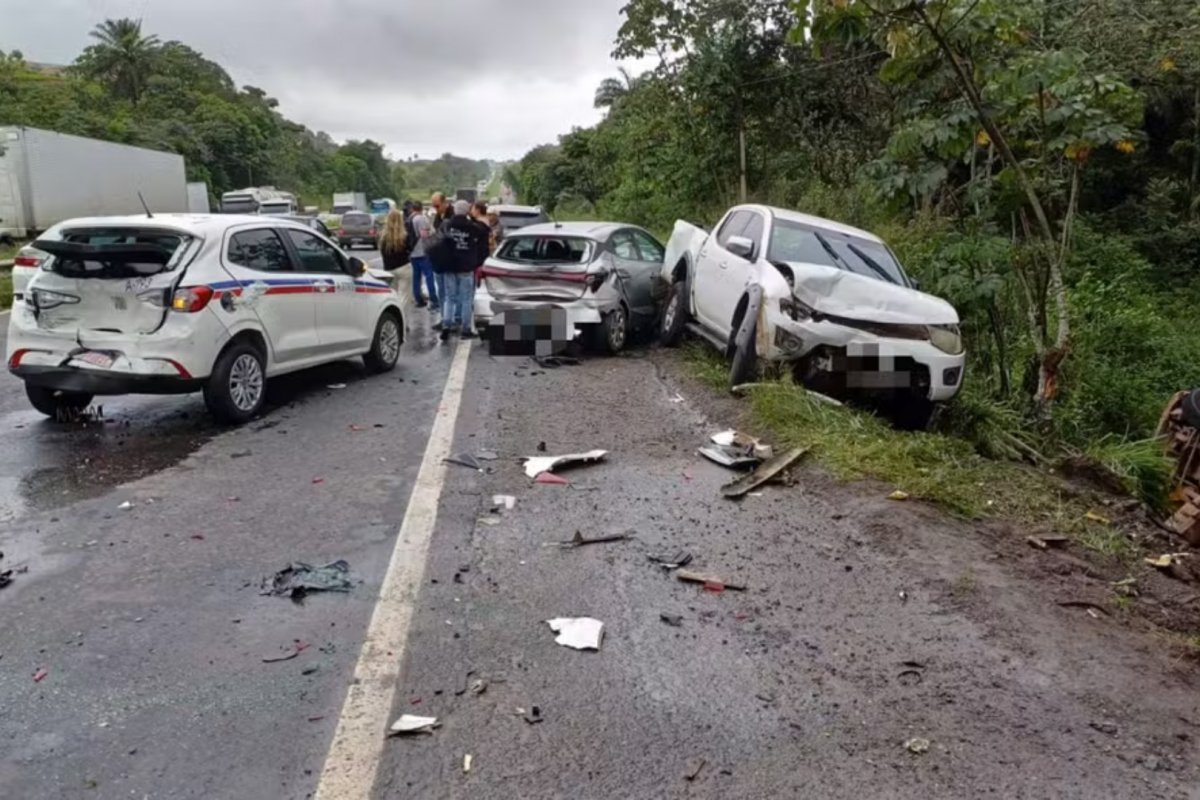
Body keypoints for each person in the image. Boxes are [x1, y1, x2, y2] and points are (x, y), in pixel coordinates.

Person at [438, 199, 487, 341]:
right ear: (466, 211)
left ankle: (446, 325)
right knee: (466, 299)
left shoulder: (447, 225)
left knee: (449, 297)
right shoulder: (472, 226)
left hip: (449, 266)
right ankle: (465, 329)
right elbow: (483, 233)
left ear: (454, 210)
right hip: (466, 266)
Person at [407, 201, 439, 310]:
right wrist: (430, 232)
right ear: (421, 208)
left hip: (412, 252)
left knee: (416, 277)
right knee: (429, 276)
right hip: (422, 251)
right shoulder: (421, 218)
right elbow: (424, 235)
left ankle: (418, 299)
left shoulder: (409, 218)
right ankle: (434, 299)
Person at [378, 209, 410, 274]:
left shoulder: (383, 236)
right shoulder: (405, 236)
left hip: (389, 268)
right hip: (404, 267)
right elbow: (410, 250)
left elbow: (382, 251)